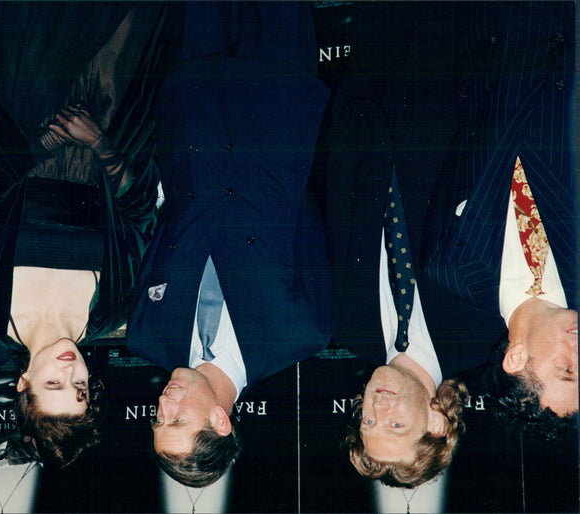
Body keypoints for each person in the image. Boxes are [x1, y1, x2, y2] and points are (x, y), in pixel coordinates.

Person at [125, 2, 333, 488]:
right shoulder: (302, 334)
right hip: (277, 97)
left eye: (158, 419)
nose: (163, 406)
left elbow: (161, 223)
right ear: (221, 422)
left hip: (192, 93)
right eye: (176, 420)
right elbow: (310, 207)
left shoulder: (145, 335)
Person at [0, 3, 163, 467]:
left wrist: (44, 143)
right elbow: (141, 213)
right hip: (104, 107)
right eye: (81, 388)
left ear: (23, 383)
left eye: (53, 386)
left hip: (19, 103)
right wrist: (97, 143)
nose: (70, 372)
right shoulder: (112, 310)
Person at [321, 3, 507, 488]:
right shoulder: (485, 329)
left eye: (367, 422)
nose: (377, 408)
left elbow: (338, 198)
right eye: (396, 424)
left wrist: (349, 104)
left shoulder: (346, 325)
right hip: (446, 80)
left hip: (368, 85)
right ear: (438, 422)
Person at [423, 2, 577, 437]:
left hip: (495, 30)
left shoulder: (449, 265)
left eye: (566, 369)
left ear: (515, 358)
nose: (578, 353)